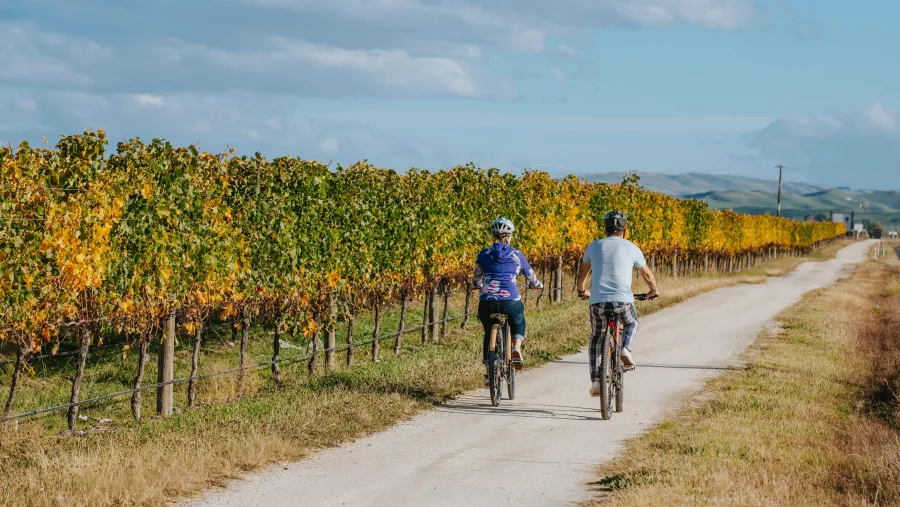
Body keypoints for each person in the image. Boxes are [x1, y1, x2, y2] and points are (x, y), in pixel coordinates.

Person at [575, 210, 659, 397]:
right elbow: (646, 274)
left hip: (597, 302)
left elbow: (582, 273)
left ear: (605, 229)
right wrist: (654, 290)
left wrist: (581, 290)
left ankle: (596, 381)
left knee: (597, 337)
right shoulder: (632, 248)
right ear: (624, 230)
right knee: (632, 322)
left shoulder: (594, 246)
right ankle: (626, 349)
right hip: (622, 301)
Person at [472, 217, 543, 387]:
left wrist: (479, 285)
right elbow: (530, 276)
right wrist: (537, 285)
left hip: (487, 301)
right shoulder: (517, 255)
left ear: (493, 236)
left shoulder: (484, 254)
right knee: (518, 320)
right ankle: (516, 348)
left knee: (488, 332)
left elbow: (476, 278)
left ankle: (489, 373)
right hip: (510, 300)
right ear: (509, 236)